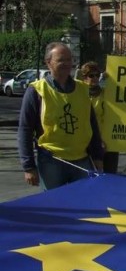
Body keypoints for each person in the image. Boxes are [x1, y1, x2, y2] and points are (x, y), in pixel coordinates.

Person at [18, 42, 104, 190]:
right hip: (51, 161)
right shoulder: (37, 91)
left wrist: (97, 156)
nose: (66, 64)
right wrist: (28, 166)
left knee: (84, 207)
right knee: (54, 206)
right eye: (61, 60)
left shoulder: (83, 90)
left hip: (82, 160)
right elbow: (25, 130)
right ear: (48, 62)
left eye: (69, 60)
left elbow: (92, 124)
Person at [80, 61, 119, 173]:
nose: (95, 78)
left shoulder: (105, 93)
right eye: (91, 75)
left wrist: (111, 77)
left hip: (108, 142)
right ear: (84, 78)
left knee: (110, 176)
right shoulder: (80, 95)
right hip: (88, 144)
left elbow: (119, 92)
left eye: (97, 75)